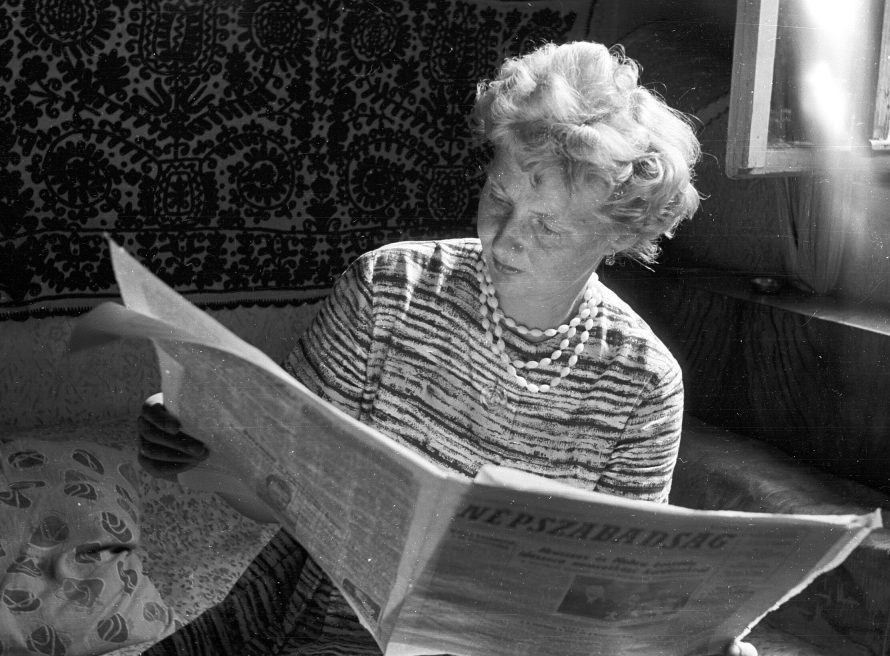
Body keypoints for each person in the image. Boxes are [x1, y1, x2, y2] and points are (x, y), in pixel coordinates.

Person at [138, 41, 756, 656]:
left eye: (547, 225)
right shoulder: (388, 289)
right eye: (499, 198)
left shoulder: (644, 382)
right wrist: (205, 445)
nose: (505, 240)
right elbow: (278, 494)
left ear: (617, 234)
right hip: (314, 628)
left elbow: (604, 609)